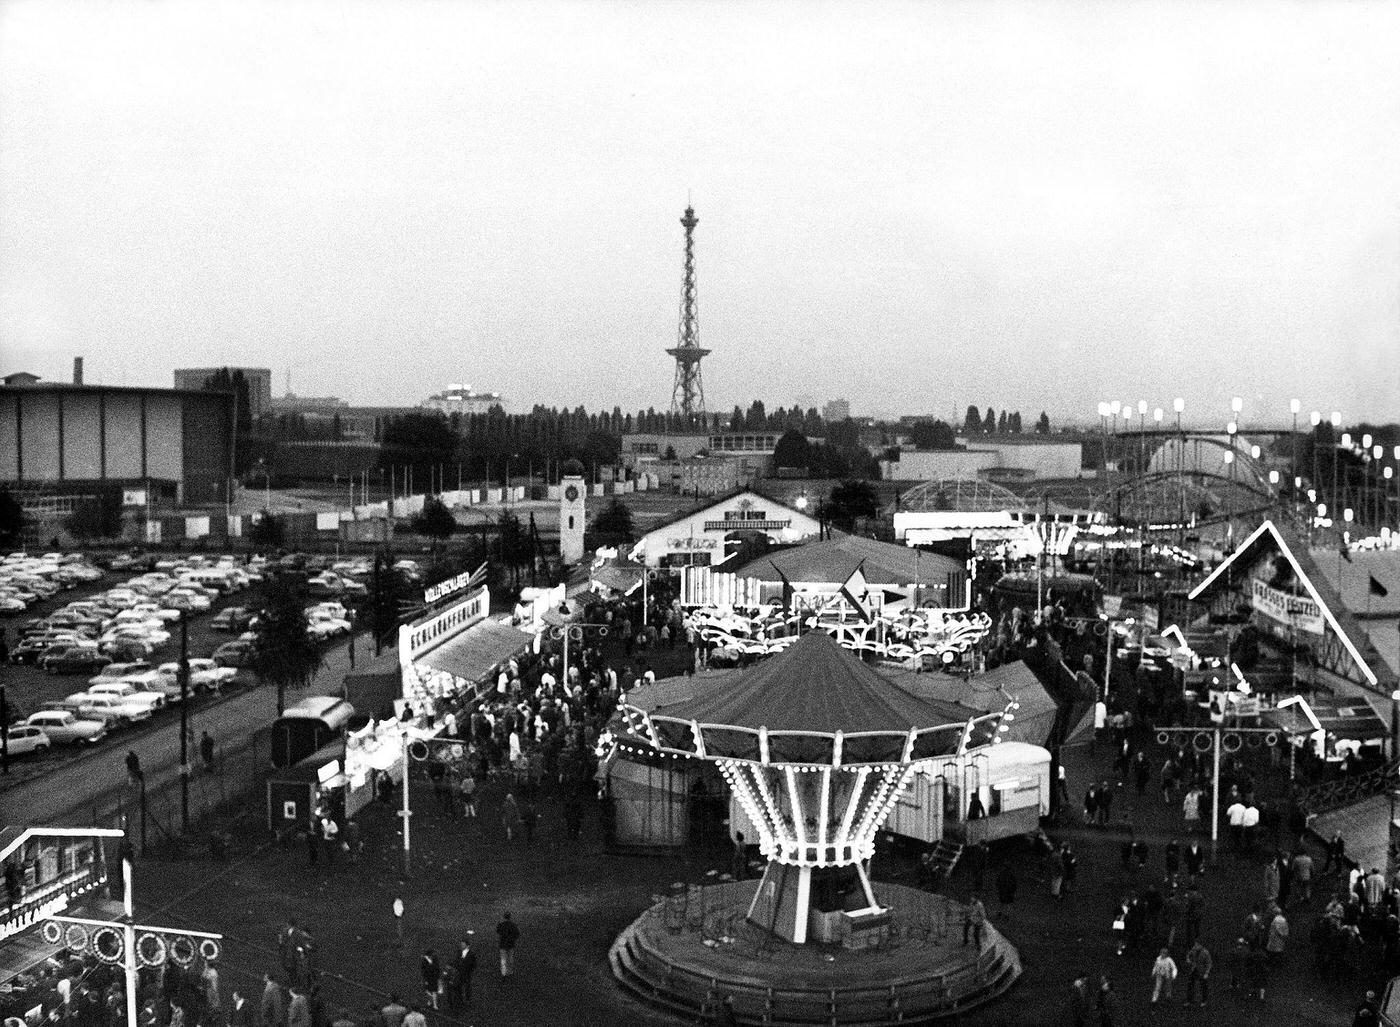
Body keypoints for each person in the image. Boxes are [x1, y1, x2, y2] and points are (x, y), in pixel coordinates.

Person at [1184, 939, 1211, 1007]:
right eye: (1195, 944)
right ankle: (1189, 1000)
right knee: (1190, 985)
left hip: (1202, 971)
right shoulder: (1193, 950)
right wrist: (1188, 960)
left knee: (1203, 986)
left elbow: (1209, 963)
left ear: (1201, 945)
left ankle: (1204, 1001)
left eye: (1197, 945)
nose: (1196, 946)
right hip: (1194, 969)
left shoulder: (1205, 952)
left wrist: (1206, 973)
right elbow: (1188, 955)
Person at [453, 938, 477, 1009]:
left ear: (467, 946)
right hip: (459, 973)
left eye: (463, 944)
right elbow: (456, 961)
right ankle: (460, 1000)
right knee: (459, 986)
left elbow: (474, 964)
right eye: (461, 944)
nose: (461, 946)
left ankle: (467, 1000)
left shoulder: (471, 954)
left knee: (467, 987)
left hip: (466, 974)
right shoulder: (459, 952)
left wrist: (469, 971)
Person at [496, 912, 520, 977]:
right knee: (510, 958)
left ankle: (503, 972)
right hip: (511, 944)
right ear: (510, 917)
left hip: (503, 944)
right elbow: (517, 934)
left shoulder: (501, 924)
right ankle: (510, 971)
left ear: (504, 917)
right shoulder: (513, 925)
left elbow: (498, 931)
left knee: (503, 959)